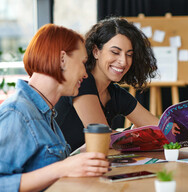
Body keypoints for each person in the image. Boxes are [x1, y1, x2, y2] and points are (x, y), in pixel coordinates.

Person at [0, 24, 109, 192]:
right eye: (82, 63)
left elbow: (46, 166)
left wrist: (83, 156)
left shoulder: (44, 112)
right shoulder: (17, 113)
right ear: (62, 59)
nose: (86, 74)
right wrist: (62, 168)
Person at [55, 17, 159, 151]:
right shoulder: (82, 83)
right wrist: (137, 134)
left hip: (86, 167)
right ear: (96, 51)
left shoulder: (115, 93)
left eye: (129, 55)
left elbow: (159, 128)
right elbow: (103, 137)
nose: (123, 61)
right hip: (58, 167)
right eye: (115, 52)